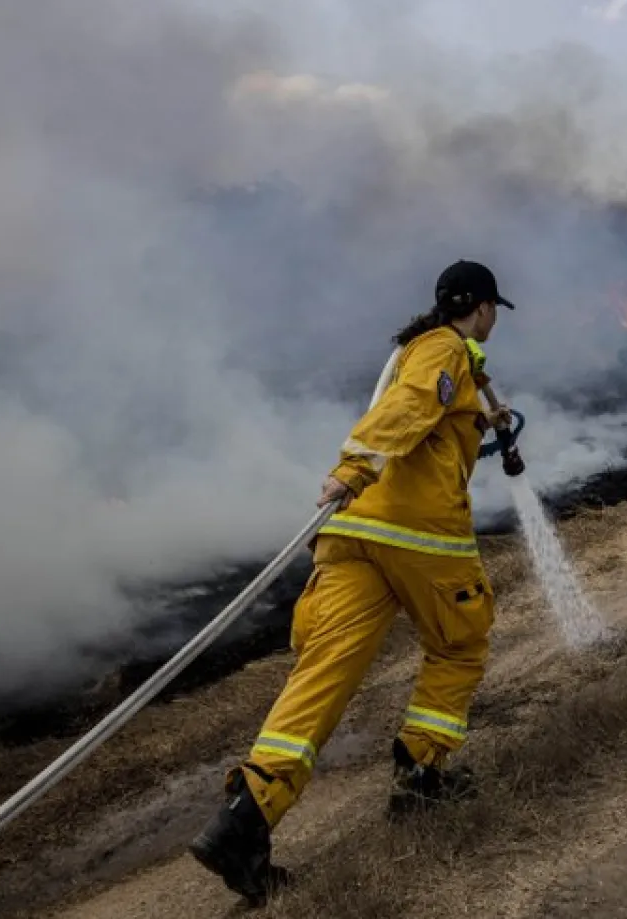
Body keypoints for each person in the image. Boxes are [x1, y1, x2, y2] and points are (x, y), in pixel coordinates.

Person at [189, 259, 517, 906]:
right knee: (461, 641)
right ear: (480, 307)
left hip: (356, 534)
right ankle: (422, 772)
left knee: (325, 672)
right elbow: (414, 405)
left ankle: (246, 818)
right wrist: (355, 464)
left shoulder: (427, 354)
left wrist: (491, 418)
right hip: (416, 534)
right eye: (493, 311)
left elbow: (435, 413)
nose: (493, 321)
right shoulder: (445, 348)